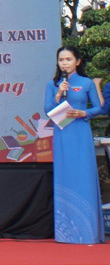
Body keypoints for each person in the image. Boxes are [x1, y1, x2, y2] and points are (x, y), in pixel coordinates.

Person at [43, 45, 105, 244]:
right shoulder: (53, 84)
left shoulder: (86, 83)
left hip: (80, 131)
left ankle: (88, 232)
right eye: (61, 60)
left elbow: (98, 107)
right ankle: (66, 233)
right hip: (63, 133)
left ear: (77, 61)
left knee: (83, 174)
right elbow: (48, 110)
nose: (64, 63)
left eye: (68, 59)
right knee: (65, 175)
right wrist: (59, 94)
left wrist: (84, 113)